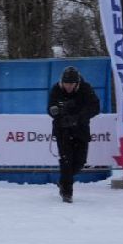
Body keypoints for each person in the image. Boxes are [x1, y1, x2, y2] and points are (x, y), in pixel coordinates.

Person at [47, 66, 101, 203]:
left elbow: (95, 107)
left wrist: (78, 117)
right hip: (62, 130)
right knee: (66, 161)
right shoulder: (56, 89)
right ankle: (67, 192)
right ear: (62, 82)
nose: (68, 87)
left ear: (77, 83)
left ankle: (64, 181)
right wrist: (56, 112)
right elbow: (50, 107)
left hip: (81, 129)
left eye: (71, 84)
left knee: (80, 162)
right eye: (66, 84)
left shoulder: (86, 89)